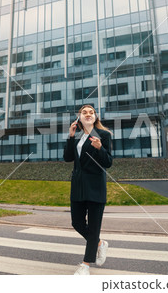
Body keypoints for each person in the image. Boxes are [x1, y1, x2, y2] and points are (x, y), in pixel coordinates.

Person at [63, 105, 113, 275]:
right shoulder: (76, 136)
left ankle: (85, 265)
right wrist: (70, 136)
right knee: (76, 223)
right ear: (79, 117)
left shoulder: (104, 135)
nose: (88, 114)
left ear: (95, 116)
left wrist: (100, 148)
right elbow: (67, 158)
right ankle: (100, 244)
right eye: (84, 112)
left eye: (91, 112)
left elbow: (108, 162)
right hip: (77, 185)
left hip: (95, 187)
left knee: (93, 227)